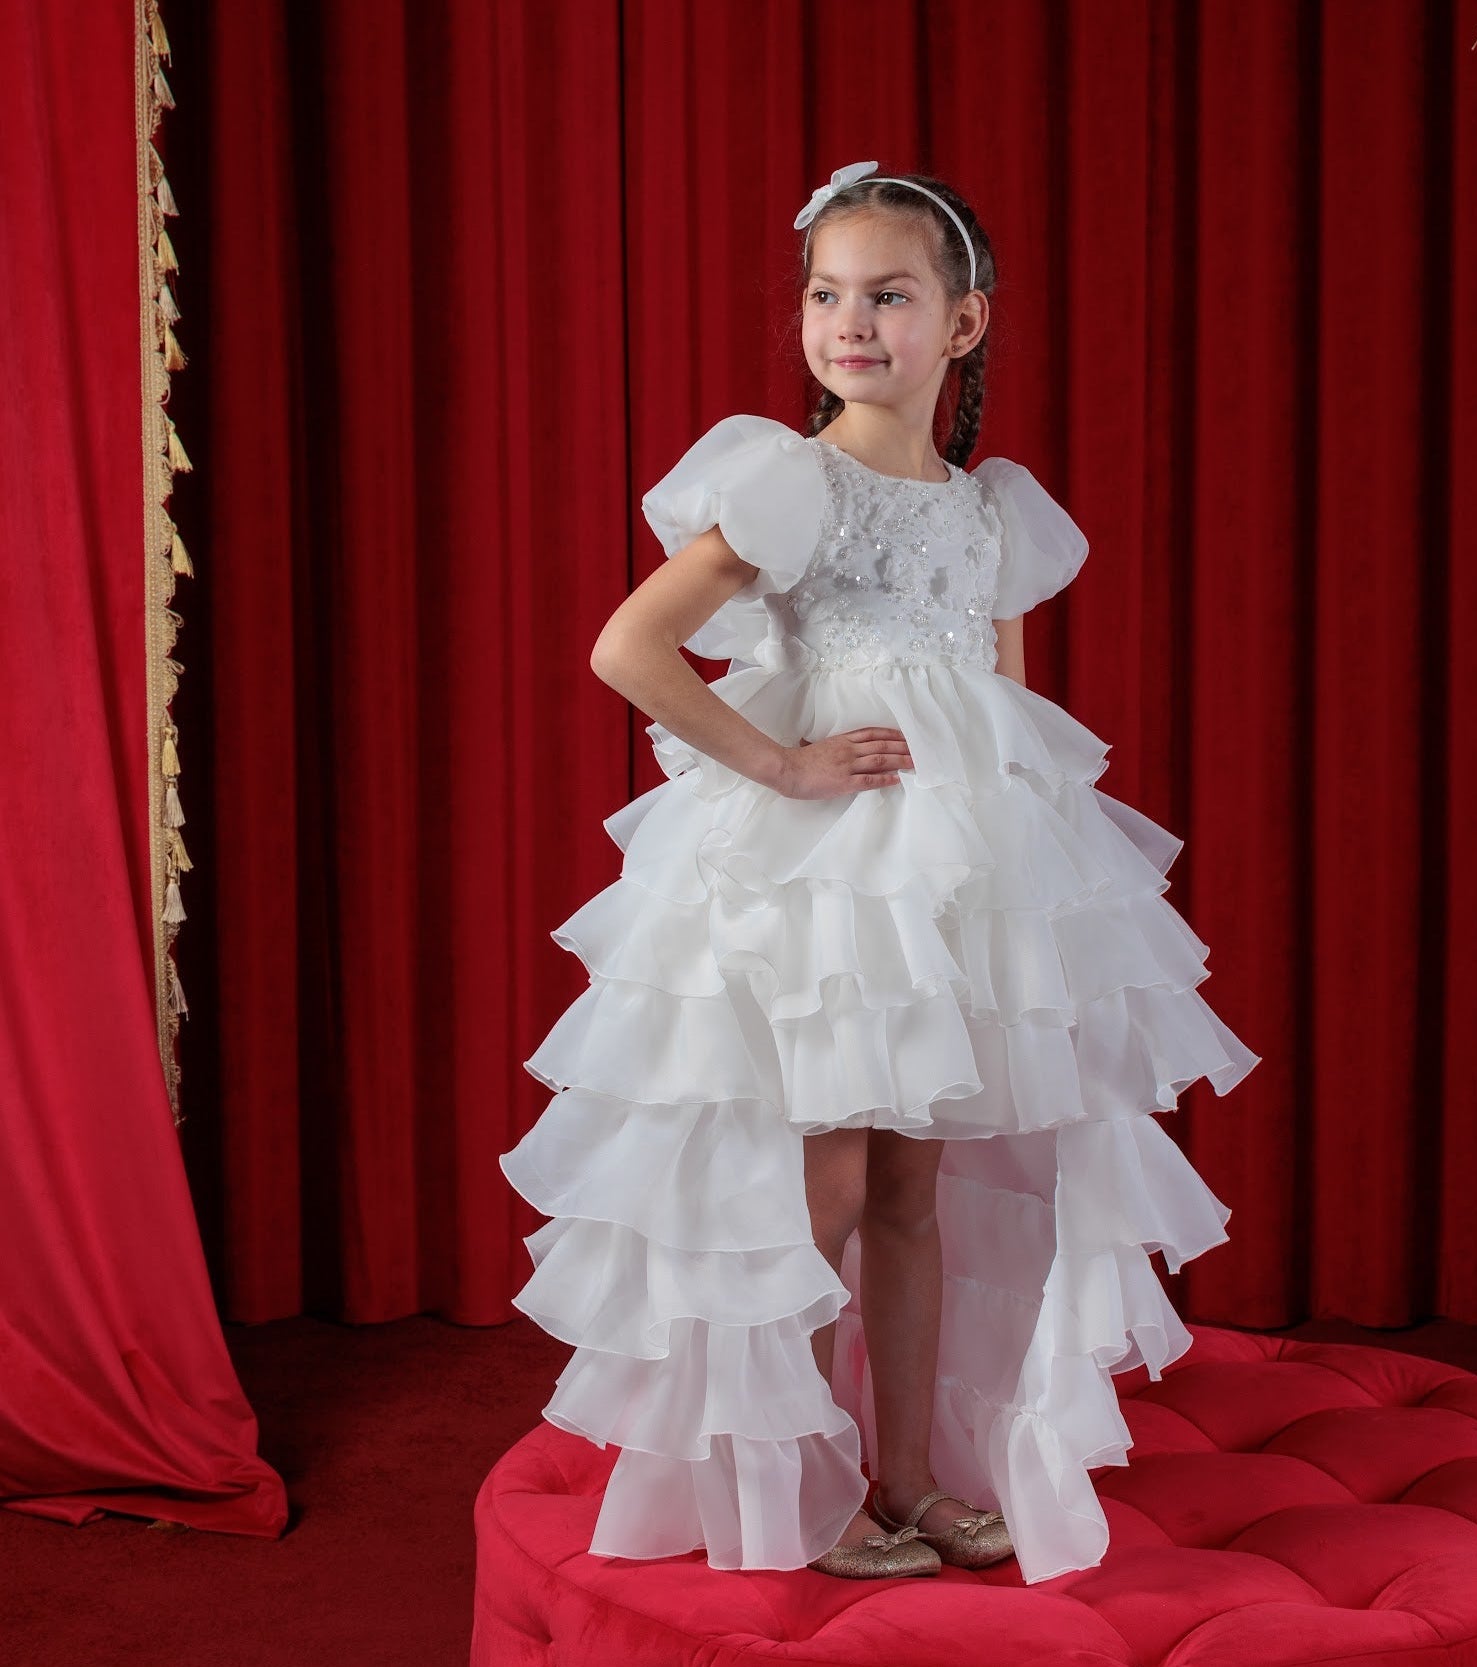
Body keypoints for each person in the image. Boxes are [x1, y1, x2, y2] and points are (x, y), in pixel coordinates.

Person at [501, 161, 1259, 1585]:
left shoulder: (991, 514)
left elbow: (1012, 708)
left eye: (890, 296)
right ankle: (803, 1489)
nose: (852, 323)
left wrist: (1036, 886)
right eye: (829, 295)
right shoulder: (798, 485)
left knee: (918, 1191)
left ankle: (909, 1478)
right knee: (828, 1187)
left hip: (953, 881)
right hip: (827, 890)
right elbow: (629, 648)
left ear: (961, 325)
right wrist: (781, 766)